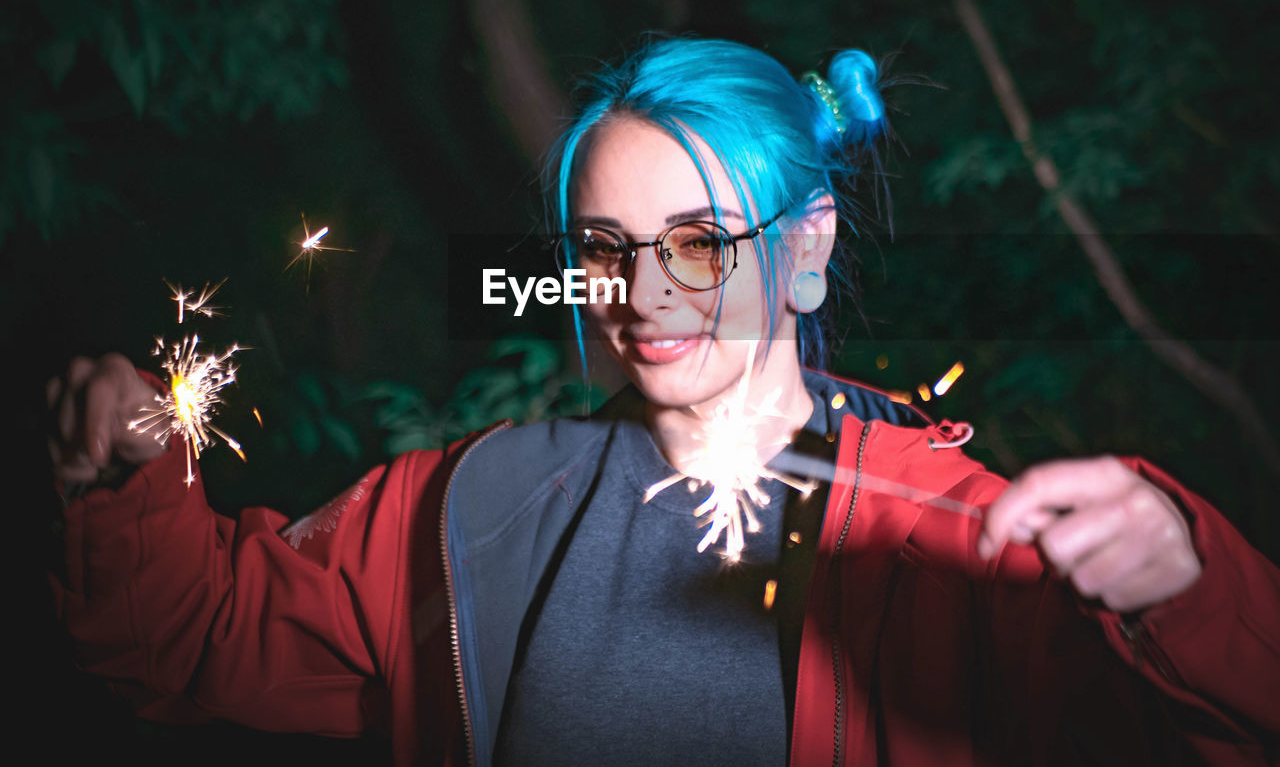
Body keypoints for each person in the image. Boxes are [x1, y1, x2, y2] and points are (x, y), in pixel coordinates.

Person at [48, 37, 1279, 766]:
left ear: (803, 250)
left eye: (696, 242)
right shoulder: (474, 503)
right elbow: (196, 638)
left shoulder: (956, 539)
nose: (640, 295)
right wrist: (127, 481)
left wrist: (1181, 578)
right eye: (605, 245)